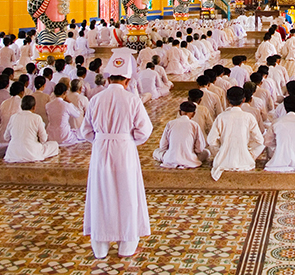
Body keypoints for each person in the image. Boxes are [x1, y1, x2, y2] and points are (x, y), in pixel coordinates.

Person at [81, 55, 153, 260]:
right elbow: (144, 131)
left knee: (101, 194)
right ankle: (127, 247)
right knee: (127, 194)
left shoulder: (96, 99)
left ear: (108, 79)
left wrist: (101, 139)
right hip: (124, 151)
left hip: (101, 149)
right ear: (127, 81)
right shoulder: (132, 99)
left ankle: (100, 248)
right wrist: (128, 140)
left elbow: (85, 130)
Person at [207, 86, 265, 181]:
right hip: (245, 160)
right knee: (262, 144)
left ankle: (223, 154)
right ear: (244, 100)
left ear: (228, 100)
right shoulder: (248, 117)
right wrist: (248, 146)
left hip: (223, 160)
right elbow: (260, 140)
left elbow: (211, 140)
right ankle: (247, 156)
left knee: (212, 146)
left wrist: (221, 149)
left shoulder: (221, 117)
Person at [153, 101, 208, 169]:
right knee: (207, 152)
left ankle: (173, 159)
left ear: (179, 112)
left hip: (171, 158)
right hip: (190, 159)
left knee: (156, 152)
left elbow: (163, 146)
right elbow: (199, 149)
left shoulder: (170, 123)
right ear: (194, 114)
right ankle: (187, 160)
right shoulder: (194, 125)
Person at [4, 95, 59, 162]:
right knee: (54, 145)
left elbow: (6, 137)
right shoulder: (36, 118)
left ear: (21, 106)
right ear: (34, 107)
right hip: (31, 153)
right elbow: (44, 139)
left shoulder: (13, 117)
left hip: (13, 153)